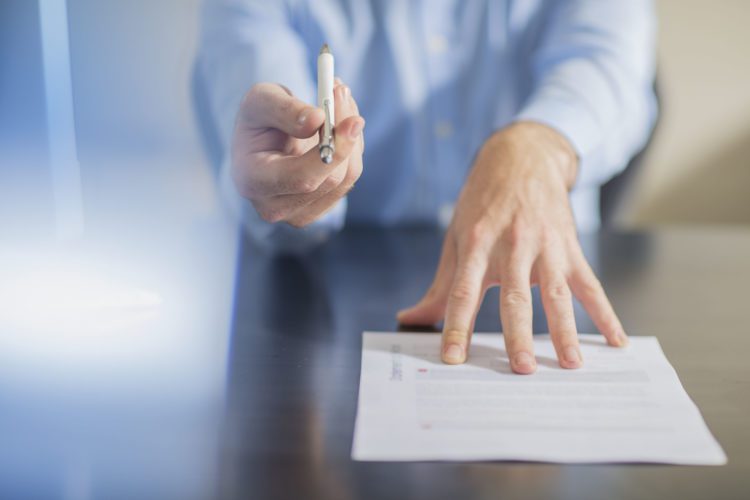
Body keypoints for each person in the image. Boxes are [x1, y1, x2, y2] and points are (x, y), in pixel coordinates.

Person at [197, 0, 657, 374]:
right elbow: (260, 89)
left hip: (542, 273)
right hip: (318, 308)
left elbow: (609, 65)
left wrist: (542, 142)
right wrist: (296, 167)